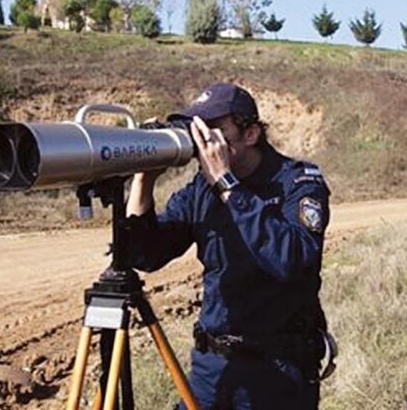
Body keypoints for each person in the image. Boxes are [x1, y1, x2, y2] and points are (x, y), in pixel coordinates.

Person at [124, 82, 333, 409]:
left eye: (214, 129)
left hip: (276, 375)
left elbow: (293, 260)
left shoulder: (298, 183)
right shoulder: (202, 189)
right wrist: (144, 180)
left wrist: (227, 185)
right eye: (198, 130)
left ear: (250, 134)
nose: (204, 140)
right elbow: (145, 255)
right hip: (213, 372)